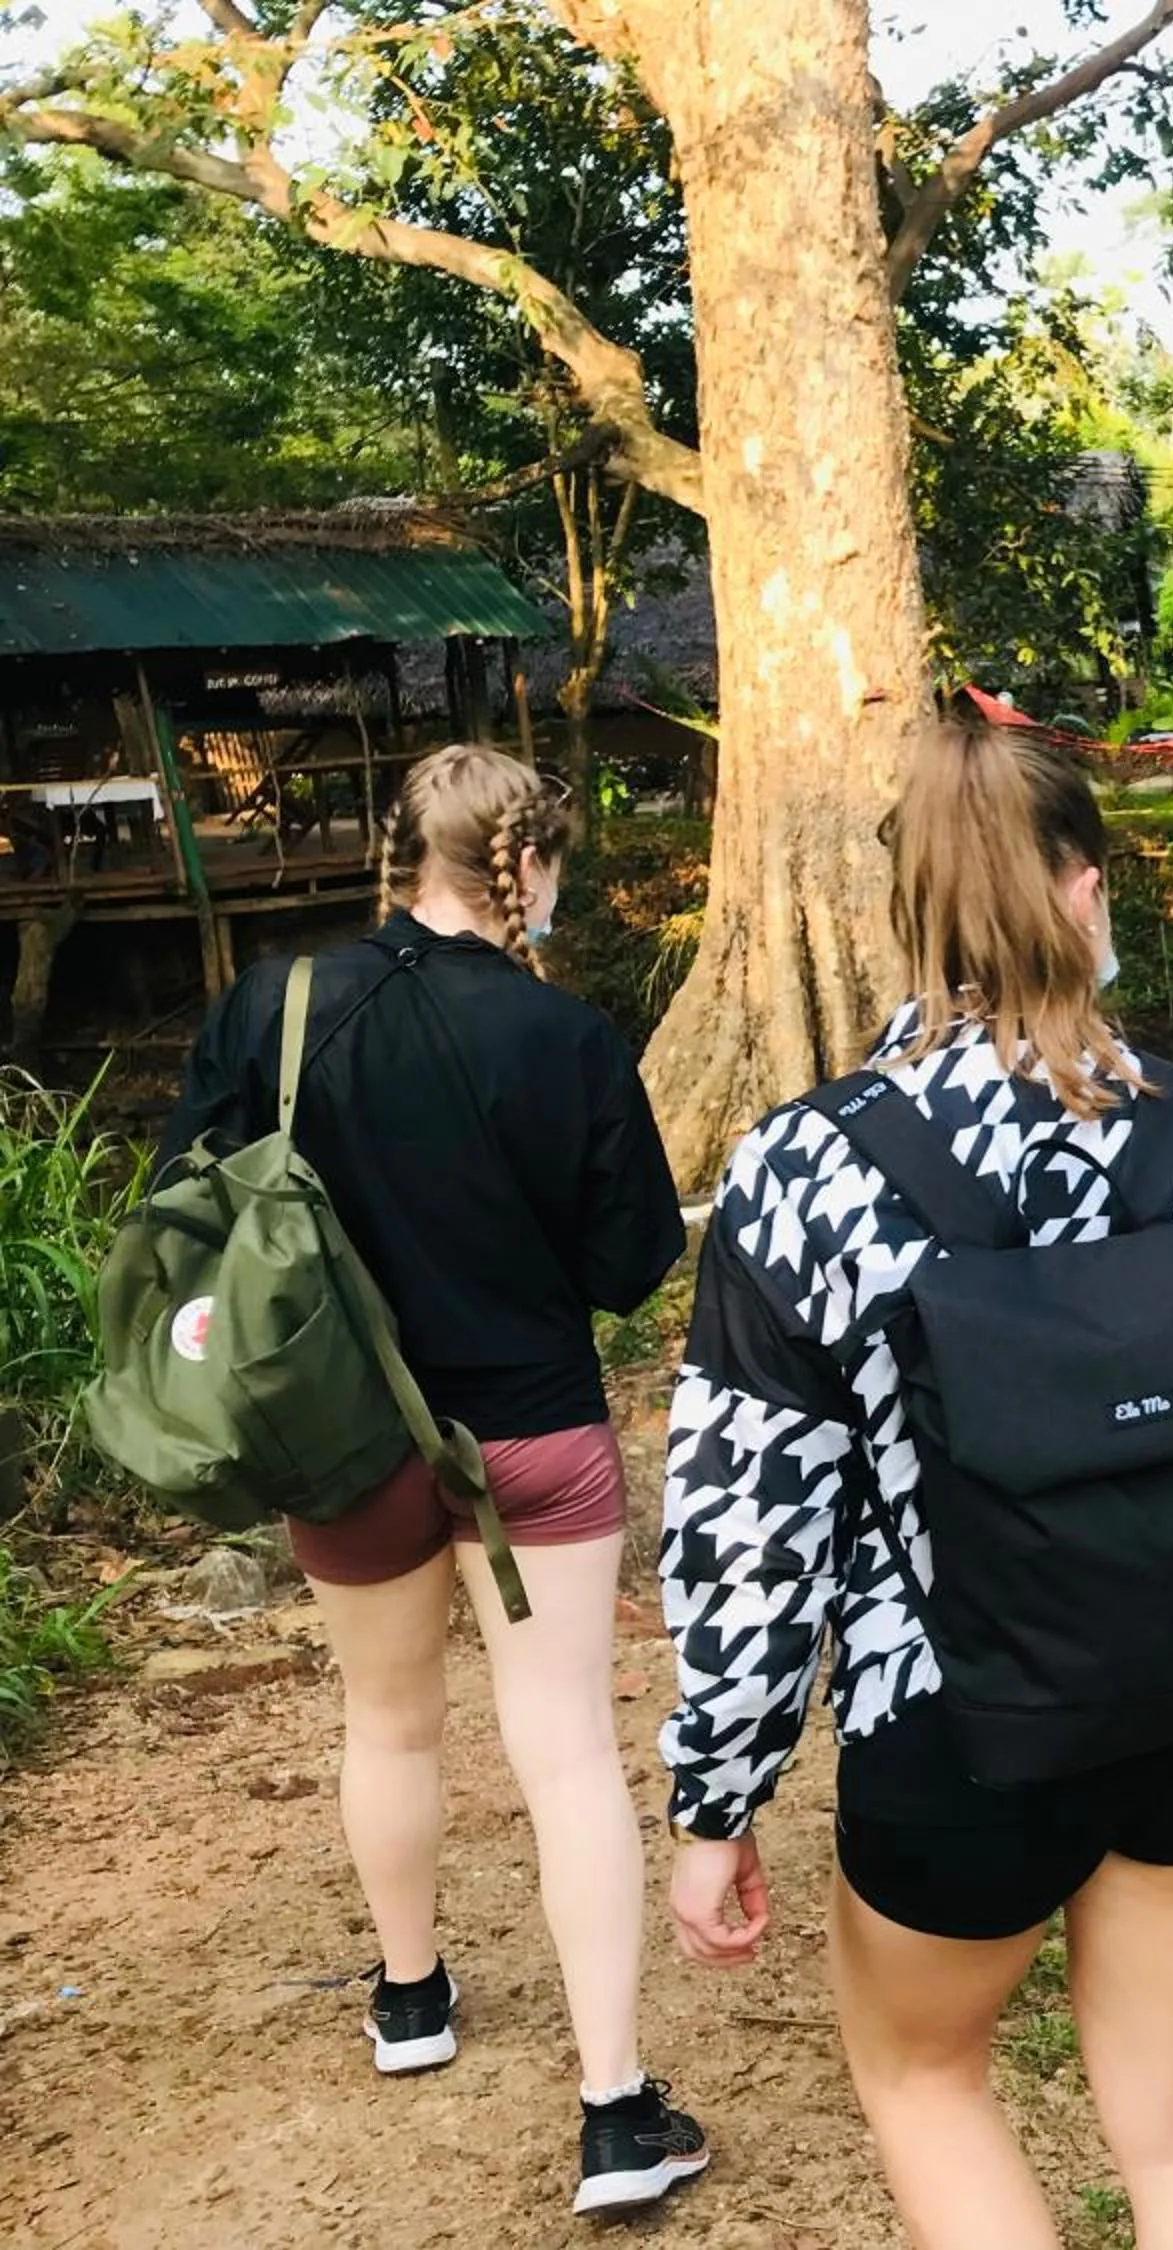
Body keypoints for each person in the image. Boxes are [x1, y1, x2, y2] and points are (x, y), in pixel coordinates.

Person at [656, 721, 1173, 2250]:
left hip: (954, 1730)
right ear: (1089, 890)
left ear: (901, 916)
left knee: (928, 2081)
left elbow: (753, 1533)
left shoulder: (802, 1173)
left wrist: (716, 1799)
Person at [164, 743, 710, 2216]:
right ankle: (613, 2109)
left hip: (346, 1439)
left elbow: (191, 1195)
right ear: (525, 866)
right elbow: (628, 1264)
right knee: (569, 1751)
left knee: (389, 1722)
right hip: (529, 1435)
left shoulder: (276, 1006)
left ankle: (411, 1999)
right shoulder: (567, 1036)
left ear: (399, 850)